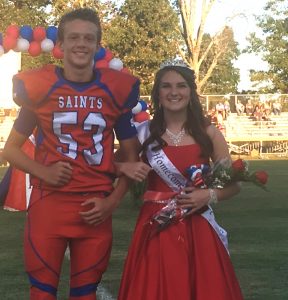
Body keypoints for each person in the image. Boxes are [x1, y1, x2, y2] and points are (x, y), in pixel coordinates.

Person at [2, 8, 140, 300]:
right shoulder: (40, 86)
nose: (81, 43)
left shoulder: (115, 88)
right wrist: (44, 171)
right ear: (61, 45)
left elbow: (132, 158)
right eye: (74, 37)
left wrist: (112, 202)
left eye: (89, 38)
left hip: (96, 205)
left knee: (85, 293)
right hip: (48, 202)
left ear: (97, 45)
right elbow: (10, 150)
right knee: (41, 292)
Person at [116, 61, 244, 300]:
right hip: (156, 224)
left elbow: (233, 184)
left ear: (190, 92)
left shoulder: (209, 133)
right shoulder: (142, 133)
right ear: (157, 93)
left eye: (181, 86)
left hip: (198, 226)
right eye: (166, 86)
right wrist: (125, 166)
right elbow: (111, 167)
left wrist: (208, 195)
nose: (174, 92)